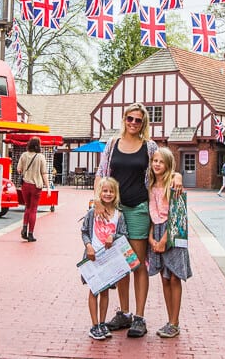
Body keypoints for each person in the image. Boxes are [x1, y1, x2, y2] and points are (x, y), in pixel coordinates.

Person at [95, 103, 183, 338]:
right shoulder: (113, 144)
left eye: (138, 120)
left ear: (144, 123)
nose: (133, 123)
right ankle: (123, 312)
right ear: (124, 119)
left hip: (138, 210)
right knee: (119, 264)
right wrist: (97, 201)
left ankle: (139, 317)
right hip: (116, 211)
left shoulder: (149, 146)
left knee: (137, 263)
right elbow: (101, 174)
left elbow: (165, 165)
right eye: (130, 118)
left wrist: (177, 175)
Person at [146, 147, 192, 338]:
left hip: (172, 231)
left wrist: (164, 238)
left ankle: (175, 321)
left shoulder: (173, 185)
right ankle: (169, 320)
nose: (157, 164)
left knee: (174, 277)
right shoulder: (149, 184)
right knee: (164, 278)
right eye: (154, 161)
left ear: (168, 165)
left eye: (161, 162)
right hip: (155, 230)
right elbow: (151, 212)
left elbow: (177, 213)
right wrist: (151, 237)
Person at [80, 177, 127, 341]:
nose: (108, 194)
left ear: (116, 194)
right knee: (94, 291)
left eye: (111, 191)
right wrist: (88, 246)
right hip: (93, 257)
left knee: (105, 291)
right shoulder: (92, 213)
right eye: (105, 191)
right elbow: (84, 231)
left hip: (108, 259)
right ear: (99, 192)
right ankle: (94, 325)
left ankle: (102, 323)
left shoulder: (119, 215)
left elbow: (123, 234)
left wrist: (112, 237)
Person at [16, 136, 50, 242]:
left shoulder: (24, 155)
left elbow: (18, 169)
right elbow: (44, 173)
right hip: (36, 186)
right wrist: (48, 187)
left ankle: (24, 228)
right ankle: (30, 234)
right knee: (33, 210)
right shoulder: (40, 157)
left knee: (27, 207)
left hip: (25, 185)